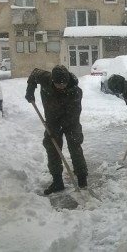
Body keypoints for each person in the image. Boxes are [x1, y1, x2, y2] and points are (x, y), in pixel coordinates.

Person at [25, 65, 88, 195]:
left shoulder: (75, 91)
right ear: (52, 80)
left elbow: (74, 114)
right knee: (52, 148)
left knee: (75, 146)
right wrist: (30, 88)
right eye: (57, 84)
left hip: (71, 122)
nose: (60, 86)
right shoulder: (45, 78)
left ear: (67, 81)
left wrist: (61, 125)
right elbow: (34, 72)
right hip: (52, 120)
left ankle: (82, 179)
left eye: (63, 84)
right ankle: (57, 181)